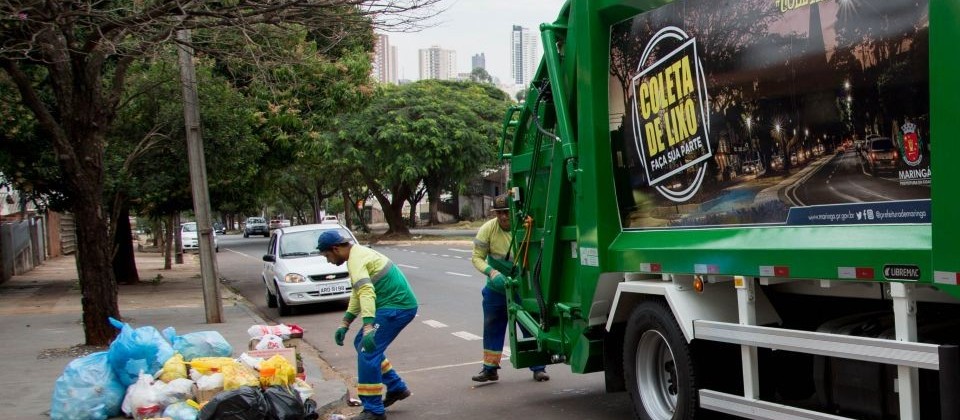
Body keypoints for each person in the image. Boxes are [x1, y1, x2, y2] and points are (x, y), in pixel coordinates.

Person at [318, 230, 418, 420]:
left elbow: (366, 292)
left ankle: (373, 410)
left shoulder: (357, 259)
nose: (328, 260)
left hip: (396, 307)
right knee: (362, 344)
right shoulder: (355, 256)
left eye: (327, 255)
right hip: (391, 306)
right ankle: (396, 387)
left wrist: (368, 326)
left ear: (335, 249)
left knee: (367, 350)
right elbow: (358, 293)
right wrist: (345, 323)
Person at [470, 193, 549, 383]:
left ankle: (538, 367)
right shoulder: (487, 229)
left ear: (513, 211)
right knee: (492, 326)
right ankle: (490, 368)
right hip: (496, 288)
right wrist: (492, 273)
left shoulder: (525, 229)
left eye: (506, 212)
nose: (503, 216)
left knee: (530, 326)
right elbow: (476, 257)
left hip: (522, 289)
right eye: (499, 213)